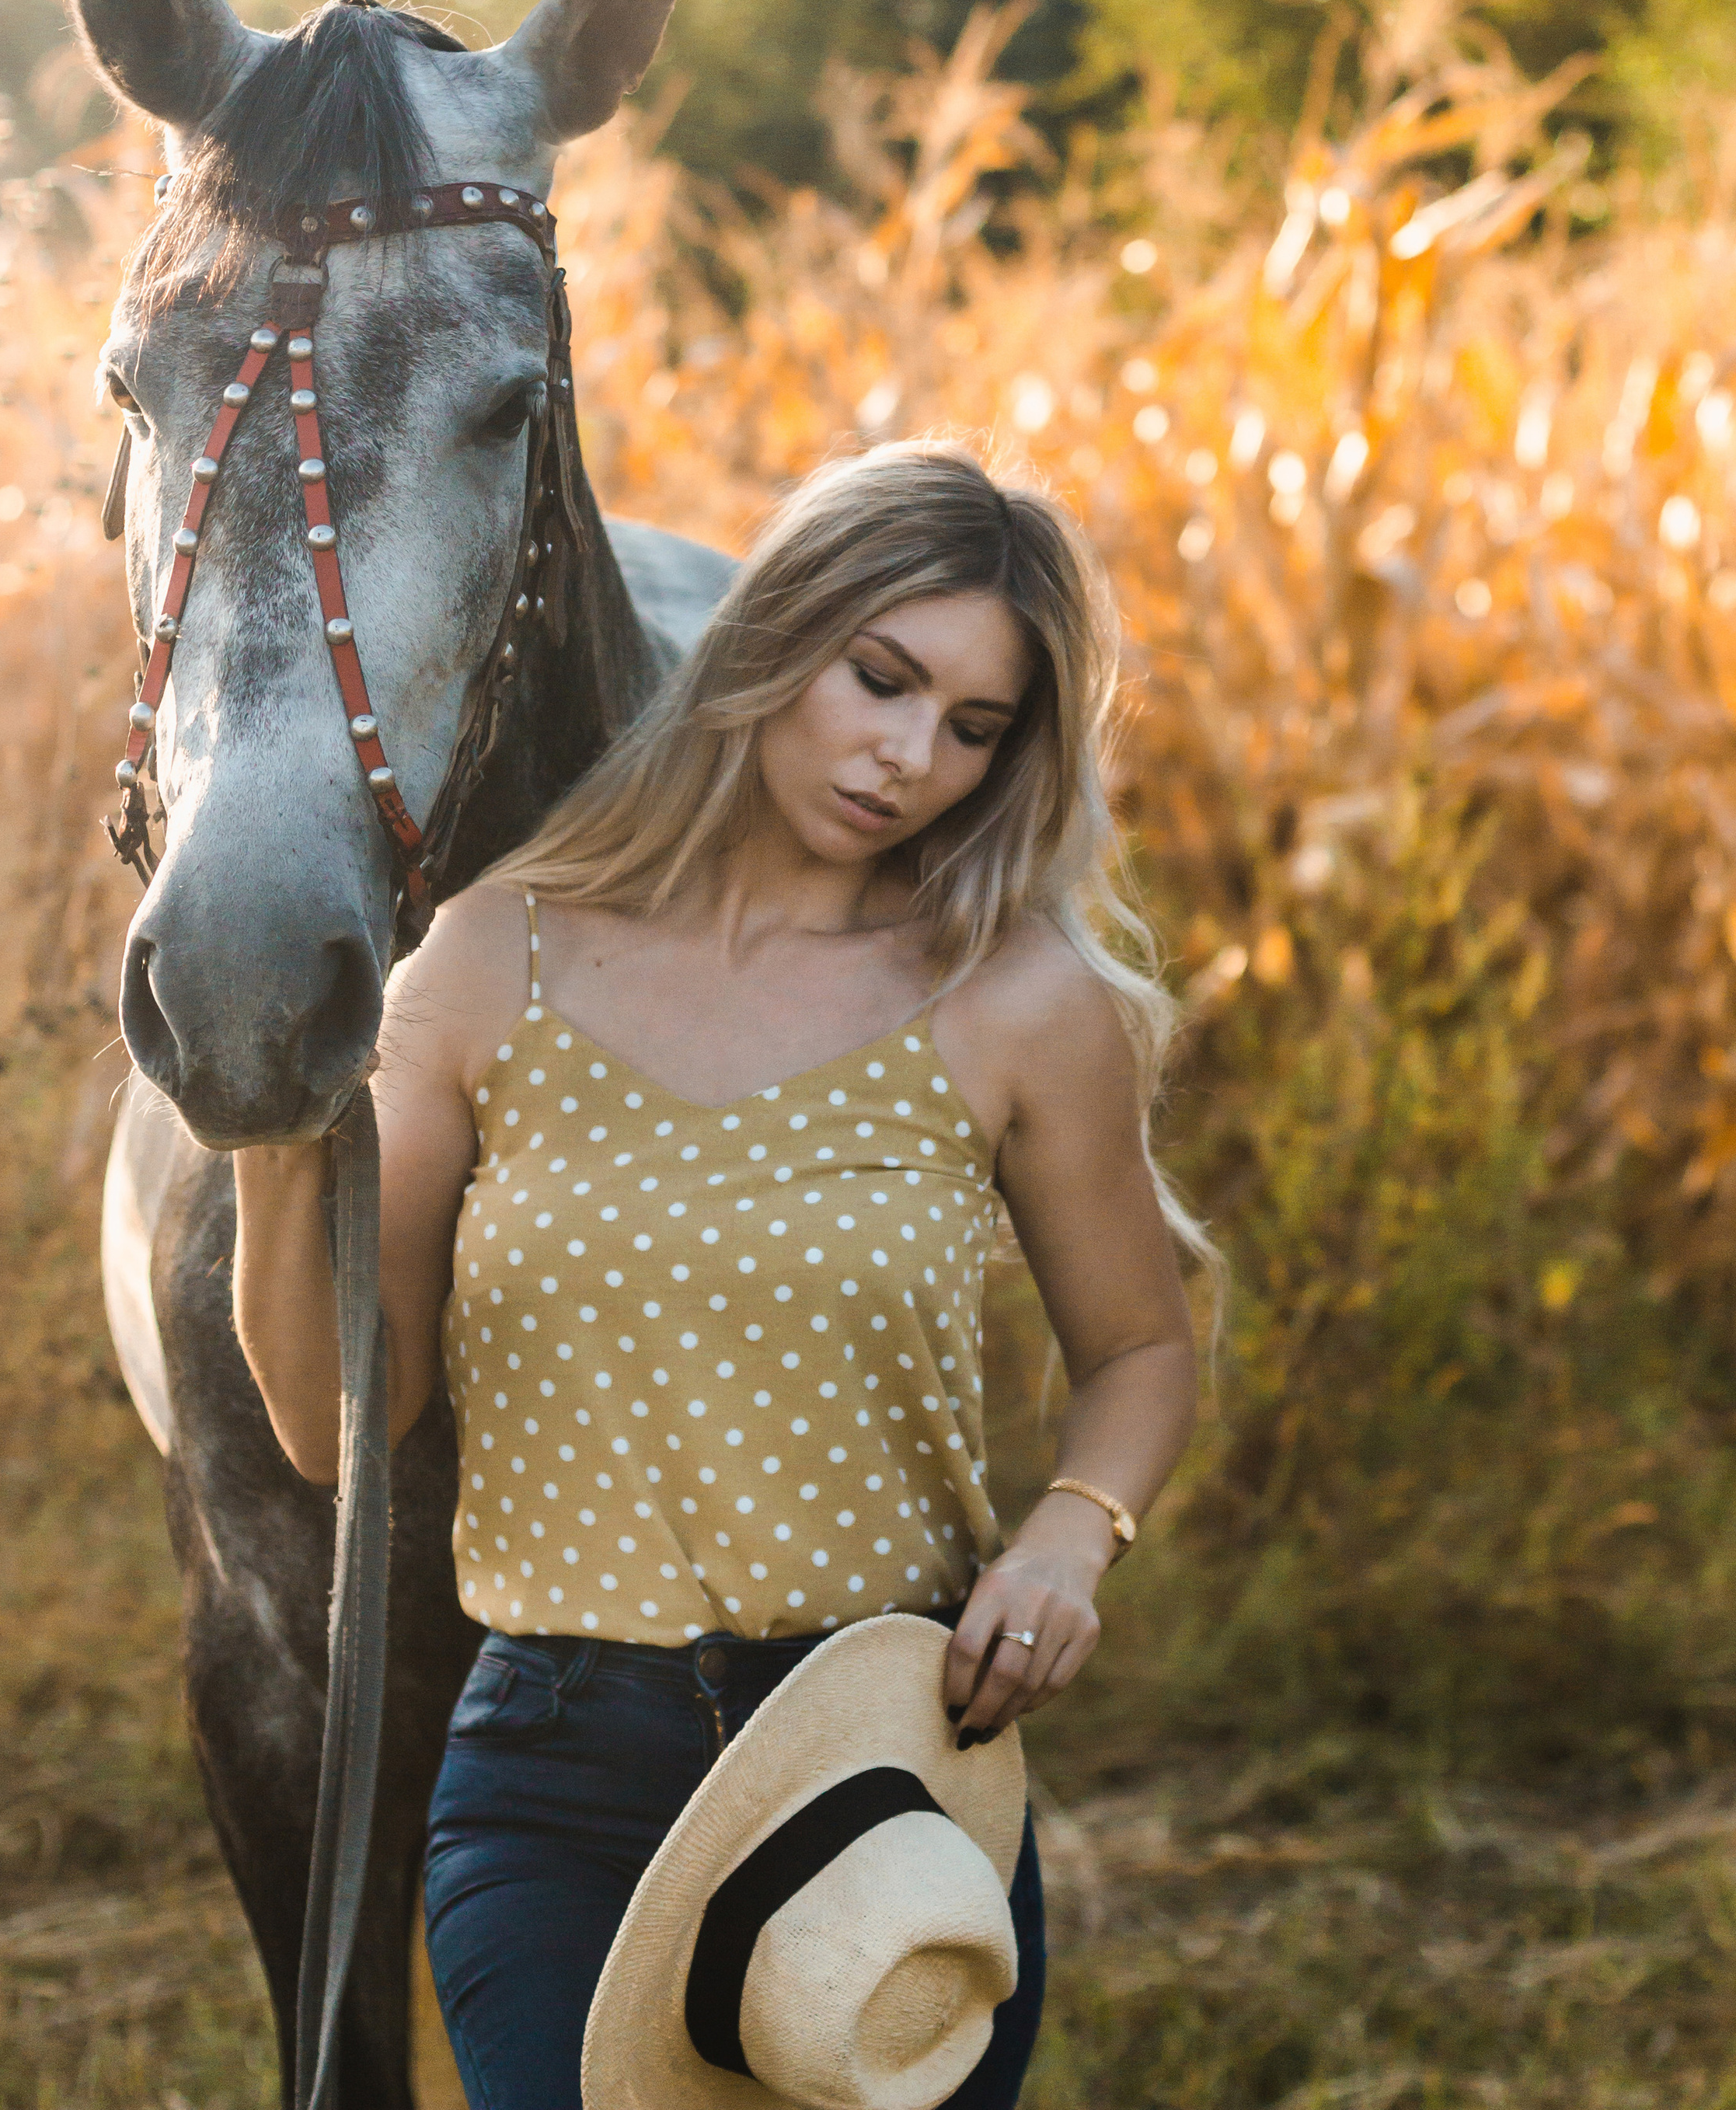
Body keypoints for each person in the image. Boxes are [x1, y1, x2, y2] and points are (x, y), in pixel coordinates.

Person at [233, 441, 1204, 2110]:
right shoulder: (486, 958)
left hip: (883, 1762)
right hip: (553, 1771)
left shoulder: (1014, 999)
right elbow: (340, 1427)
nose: (909, 758)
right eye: (880, 679)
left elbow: (1137, 1348)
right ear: (773, 640)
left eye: (974, 727)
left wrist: (1067, 1541)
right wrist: (265, 1145)